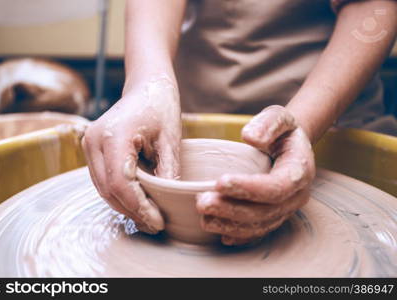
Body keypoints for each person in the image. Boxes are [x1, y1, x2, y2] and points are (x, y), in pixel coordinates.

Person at [82, 0, 397, 245]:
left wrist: (302, 124)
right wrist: (146, 86)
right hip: (192, 109)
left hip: (333, 114)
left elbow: (373, 6)